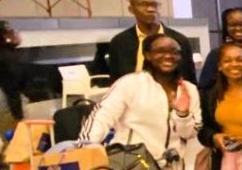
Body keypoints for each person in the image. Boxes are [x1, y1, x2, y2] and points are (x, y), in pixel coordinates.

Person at [80, 33, 202, 162]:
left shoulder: (189, 89)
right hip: (133, 166)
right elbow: (100, 118)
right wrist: (87, 153)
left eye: (174, 52)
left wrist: (183, 114)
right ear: (147, 55)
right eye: (160, 51)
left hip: (173, 169)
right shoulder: (130, 83)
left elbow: (189, 134)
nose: (168, 56)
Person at [105, 0, 196, 83]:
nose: (151, 9)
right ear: (131, 9)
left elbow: (189, 79)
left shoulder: (179, 40)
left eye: (154, 5)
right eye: (144, 4)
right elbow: (115, 81)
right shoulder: (120, 42)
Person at [198, 8, 242, 90]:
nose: (238, 28)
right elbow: (205, 86)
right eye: (233, 25)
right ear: (226, 27)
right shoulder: (216, 54)